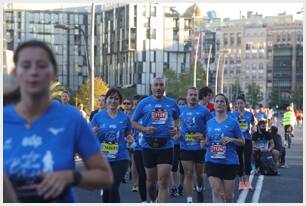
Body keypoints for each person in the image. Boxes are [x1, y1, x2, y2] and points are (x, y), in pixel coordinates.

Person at [4, 40, 113, 203]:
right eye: (26, 65)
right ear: (15, 73)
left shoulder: (72, 118)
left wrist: (71, 176)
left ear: (54, 73)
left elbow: (105, 176)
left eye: (41, 65)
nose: (34, 72)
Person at [132, 77, 180, 203]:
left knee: (163, 181)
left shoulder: (172, 103)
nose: (158, 87)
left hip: (166, 146)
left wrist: (175, 128)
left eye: (161, 85)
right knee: (151, 182)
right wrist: (144, 129)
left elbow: (177, 119)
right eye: (156, 85)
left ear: (164, 87)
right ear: (151, 87)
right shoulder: (144, 103)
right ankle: (153, 201)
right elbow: (133, 121)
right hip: (148, 146)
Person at [91, 88, 134, 203]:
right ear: (106, 100)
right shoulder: (97, 117)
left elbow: (129, 135)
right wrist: (93, 133)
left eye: (116, 98)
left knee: (113, 186)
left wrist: (130, 139)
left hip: (121, 157)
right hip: (103, 159)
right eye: (111, 98)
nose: (113, 101)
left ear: (119, 102)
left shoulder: (125, 118)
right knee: (106, 188)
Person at [205, 93, 244, 203]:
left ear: (226, 105)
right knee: (216, 191)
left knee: (229, 196)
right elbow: (204, 141)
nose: (219, 103)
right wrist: (203, 142)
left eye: (222, 101)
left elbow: (242, 141)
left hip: (229, 162)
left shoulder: (233, 122)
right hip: (212, 161)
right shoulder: (208, 123)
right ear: (214, 105)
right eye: (217, 101)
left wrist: (232, 140)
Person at [179, 87, 211, 203]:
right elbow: (174, 124)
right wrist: (176, 132)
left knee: (199, 175)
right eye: (191, 95)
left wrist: (203, 137)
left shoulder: (204, 111)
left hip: (199, 147)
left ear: (198, 97)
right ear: (186, 96)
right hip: (185, 146)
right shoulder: (180, 110)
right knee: (188, 173)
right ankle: (189, 200)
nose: (193, 97)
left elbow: (210, 128)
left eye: (195, 95)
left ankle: (199, 188)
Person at [231, 94, 256, 191]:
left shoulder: (249, 114)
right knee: (239, 161)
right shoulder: (233, 114)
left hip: (247, 139)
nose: (239, 105)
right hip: (238, 140)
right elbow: (231, 126)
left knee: (247, 160)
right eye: (237, 103)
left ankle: (248, 182)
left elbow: (253, 125)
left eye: (241, 103)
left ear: (244, 103)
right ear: (236, 105)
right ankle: (241, 182)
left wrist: (253, 129)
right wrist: (237, 119)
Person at [132, 95, 148, 202]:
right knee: (142, 175)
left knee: (152, 177)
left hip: (151, 149)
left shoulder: (152, 116)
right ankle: (143, 201)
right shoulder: (135, 117)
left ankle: (154, 199)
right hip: (138, 149)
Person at [122, 98, 138, 191]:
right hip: (123, 140)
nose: (126, 104)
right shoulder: (120, 114)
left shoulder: (134, 114)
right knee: (126, 159)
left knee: (133, 161)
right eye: (125, 103)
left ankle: (136, 182)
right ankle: (124, 174)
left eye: (128, 103)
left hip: (133, 140)